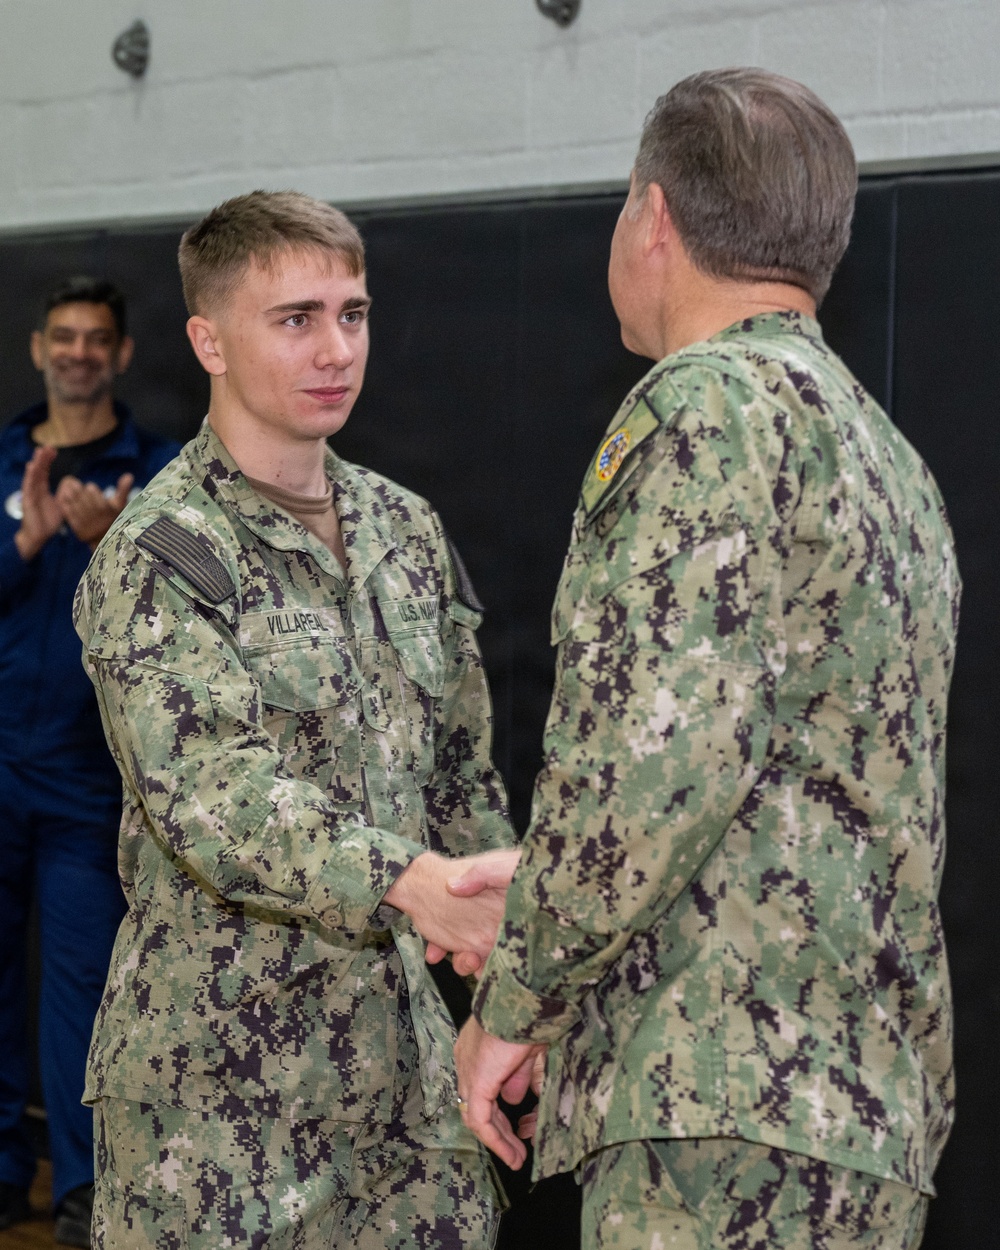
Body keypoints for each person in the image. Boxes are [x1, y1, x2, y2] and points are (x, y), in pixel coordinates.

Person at [455, 68, 959, 1250]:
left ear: (653, 217)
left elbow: (647, 775)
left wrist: (514, 1002)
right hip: (857, 1103)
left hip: (722, 1107)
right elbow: (777, 784)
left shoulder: (702, 409)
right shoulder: (883, 451)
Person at [73, 190, 517, 1249]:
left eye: (352, 313)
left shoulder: (405, 530)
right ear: (209, 342)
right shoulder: (162, 553)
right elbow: (213, 797)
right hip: (221, 1109)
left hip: (406, 1098)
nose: (336, 350)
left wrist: (511, 974)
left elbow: (462, 777)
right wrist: (412, 882)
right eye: (296, 319)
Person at [0, 277, 178, 1245]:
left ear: (121, 354)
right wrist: (23, 545)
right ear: (38, 348)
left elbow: (191, 613)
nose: (77, 352)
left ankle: (82, 1184)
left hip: (86, 777)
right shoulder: (4, 460)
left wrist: (114, 547)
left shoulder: (157, 472)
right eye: (62, 336)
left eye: (95, 338)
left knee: (85, 985)